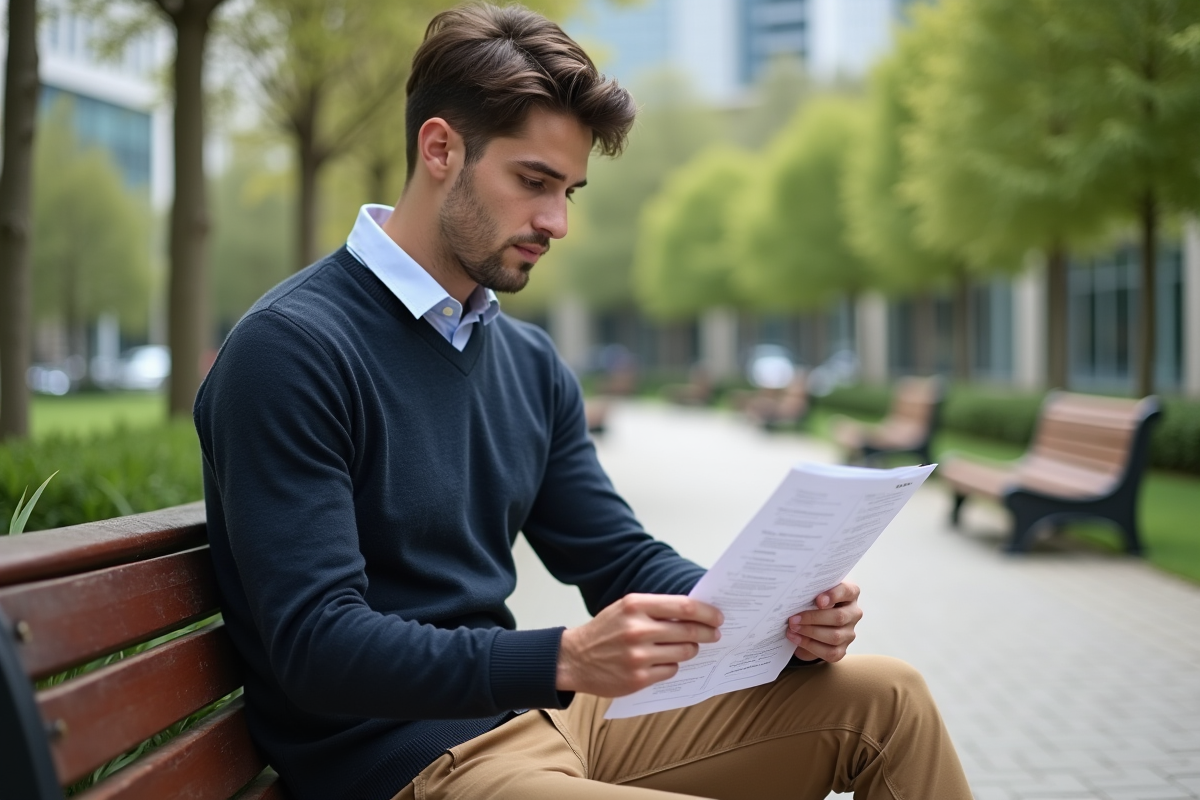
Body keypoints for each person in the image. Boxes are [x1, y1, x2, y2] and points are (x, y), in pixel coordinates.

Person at [193, 5, 973, 799]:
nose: (557, 222)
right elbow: (317, 647)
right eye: (533, 182)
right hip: (411, 764)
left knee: (890, 700)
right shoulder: (292, 351)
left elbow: (617, 559)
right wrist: (562, 657)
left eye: (569, 189)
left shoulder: (526, 362)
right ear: (440, 149)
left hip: (544, 716)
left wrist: (775, 612)